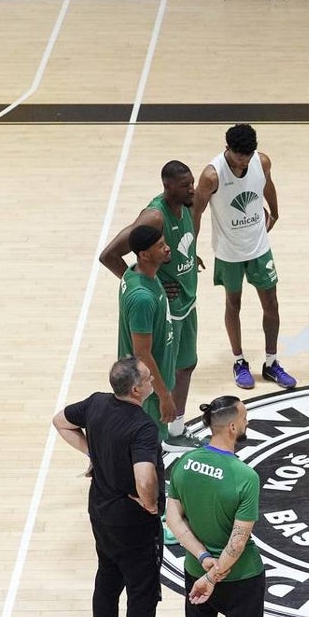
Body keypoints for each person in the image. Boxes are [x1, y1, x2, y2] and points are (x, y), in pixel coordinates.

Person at [52, 357, 182, 617]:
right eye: (148, 376)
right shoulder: (141, 426)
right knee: (141, 594)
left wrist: (93, 454)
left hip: (101, 512)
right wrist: (152, 504)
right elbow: (144, 475)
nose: (153, 378)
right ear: (136, 389)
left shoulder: (96, 402)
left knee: (107, 577)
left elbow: (60, 422)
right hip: (133, 522)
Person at [166, 395, 283, 617]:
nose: (246, 423)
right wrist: (214, 575)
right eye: (244, 418)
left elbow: (174, 519)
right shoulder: (245, 477)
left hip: (195, 570)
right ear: (232, 427)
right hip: (241, 578)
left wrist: (202, 561)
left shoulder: (184, 464)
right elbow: (238, 539)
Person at [101, 160, 204, 452]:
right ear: (167, 187)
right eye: (185, 185)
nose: (192, 189)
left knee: (186, 365)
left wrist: (189, 259)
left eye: (192, 183)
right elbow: (109, 255)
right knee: (152, 379)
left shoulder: (186, 204)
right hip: (165, 308)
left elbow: (182, 242)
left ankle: (176, 430)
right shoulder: (154, 217)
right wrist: (145, 284)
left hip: (186, 300)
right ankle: (142, 446)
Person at [192, 123, 296, 391]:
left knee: (271, 304)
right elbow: (196, 212)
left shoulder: (261, 161)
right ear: (227, 150)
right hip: (229, 252)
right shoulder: (211, 176)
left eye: (248, 155)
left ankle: (271, 362)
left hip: (259, 247)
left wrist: (275, 211)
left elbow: (267, 185)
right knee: (233, 304)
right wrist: (190, 249)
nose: (245, 161)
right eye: (240, 156)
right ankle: (239, 361)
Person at [117, 225, 176, 442]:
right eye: (160, 246)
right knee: (148, 450)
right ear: (144, 254)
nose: (168, 248)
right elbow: (141, 353)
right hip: (147, 390)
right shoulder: (142, 298)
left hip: (147, 382)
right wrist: (164, 395)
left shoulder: (134, 271)